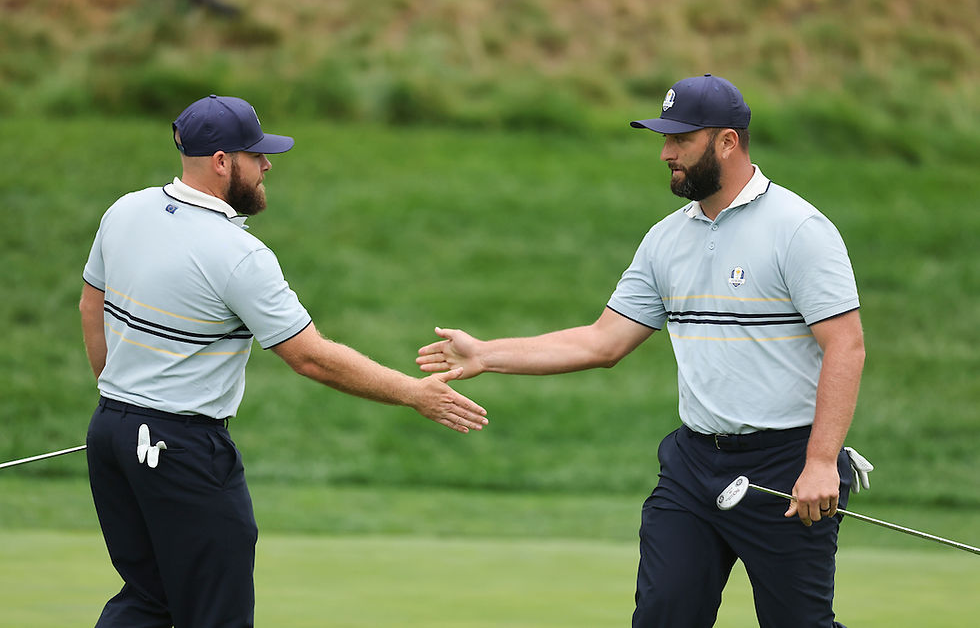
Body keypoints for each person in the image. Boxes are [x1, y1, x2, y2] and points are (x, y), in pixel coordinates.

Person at [417, 74, 865, 628]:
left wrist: (821, 461)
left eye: (681, 140)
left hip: (785, 466)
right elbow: (602, 341)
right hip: (694, 466)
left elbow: (845, 344)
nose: (665, 153)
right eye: (664, 139)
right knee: (662, 616)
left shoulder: (799, 230)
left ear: (728, 141)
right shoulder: (665, 240)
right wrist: (487, 354)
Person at [79, 94, 488, 628]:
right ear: (223, 161)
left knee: (147, 600)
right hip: (179, 449)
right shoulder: (237, 253)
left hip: (111, 434)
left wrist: (124, 404)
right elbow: (310, 357)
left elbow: (91, 305)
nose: (267, 165)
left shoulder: (125, 209)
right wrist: (414, 392)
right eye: (256, 155)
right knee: (215, 613)